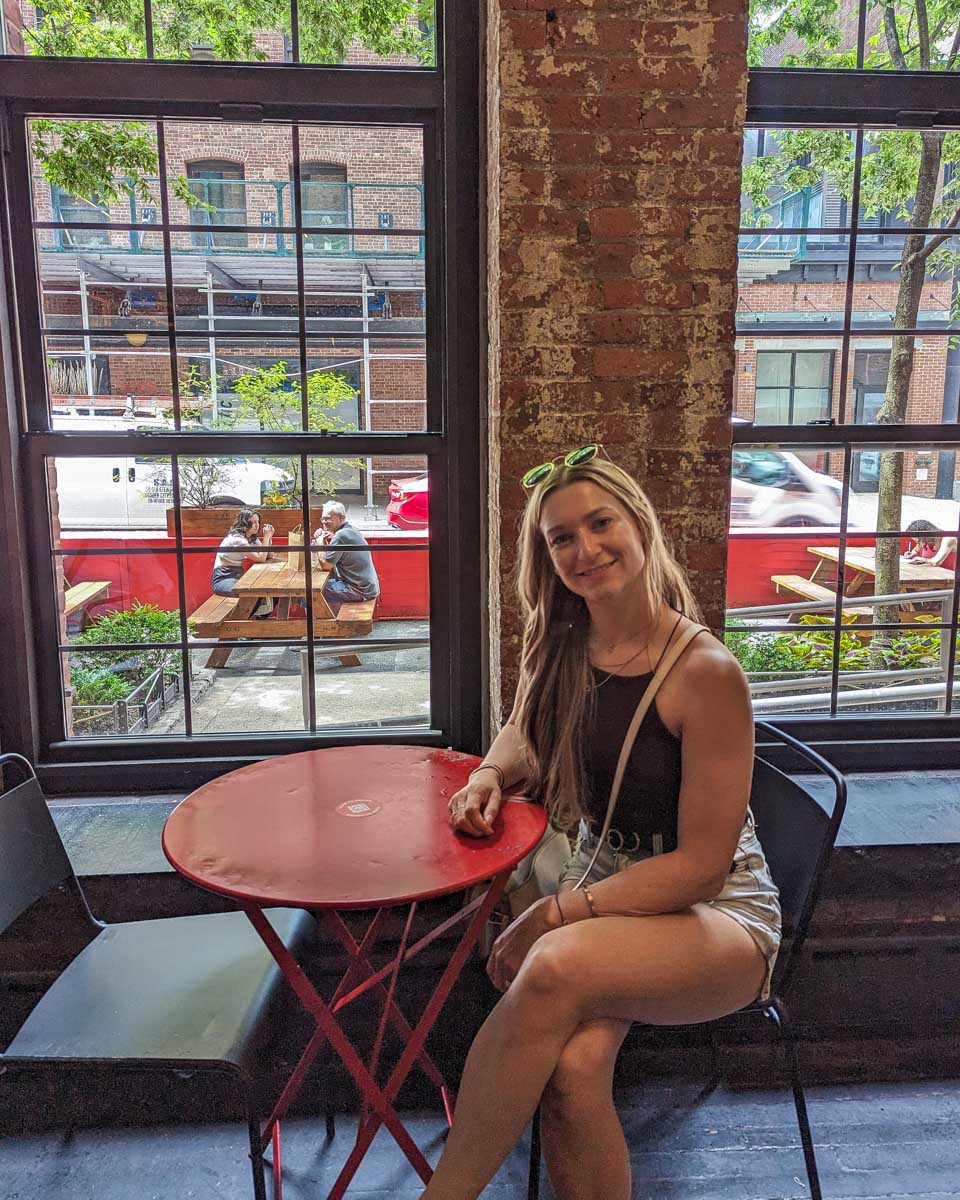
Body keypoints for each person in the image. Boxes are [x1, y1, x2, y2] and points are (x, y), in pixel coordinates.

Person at [422, 446, 781, 1200]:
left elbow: (700, 868)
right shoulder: (558, 642)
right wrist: (489, 773)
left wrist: (554, 915)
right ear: (546, 556)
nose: (585, 549)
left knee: (551, 965)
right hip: (608, 892)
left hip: (715, 916)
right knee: (574, 1069)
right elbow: (525, 732)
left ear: (639, 524)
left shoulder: (705, 674)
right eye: (561, 538)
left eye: (600, 522)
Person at [311, 500, 380, 610]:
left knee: (310, 591)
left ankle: (319, 624)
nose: (324, 522)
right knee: (319, 587)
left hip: (358, 591)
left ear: (341, 519)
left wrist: (319, 542)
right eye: (323, 518)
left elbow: (326, 566)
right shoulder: (350, 530)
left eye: (328, 518)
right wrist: (323, 541)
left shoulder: (341, 536)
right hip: (367, 587)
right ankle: (325, 621)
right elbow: (331, 559)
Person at [210, 508, 279, 619]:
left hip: (237, 576)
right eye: (253, 522)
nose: (257, 525)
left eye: (258, 522)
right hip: (223, 578)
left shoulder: (251, 538)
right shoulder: (238, 540)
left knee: (273, 591)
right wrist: (266, 537)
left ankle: (256, 624)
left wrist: (269, 537)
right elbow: (261, 558)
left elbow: (269, 555)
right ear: (245, 523)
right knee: (251, 594)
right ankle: (243, 624)